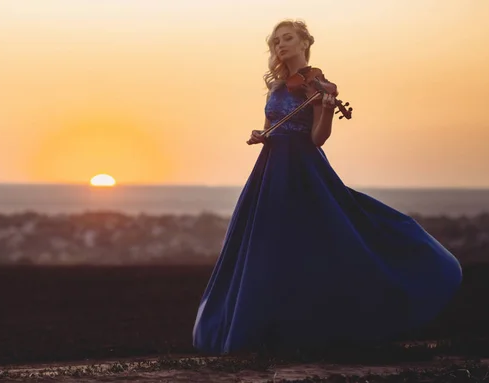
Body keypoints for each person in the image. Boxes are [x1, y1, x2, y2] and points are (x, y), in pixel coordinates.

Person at [192, 19, 462, 355]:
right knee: (265, 247)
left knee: (327, 237)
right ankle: (265, 328)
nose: (281, 46)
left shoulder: (317, 87)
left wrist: (329, 110)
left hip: (304, 170)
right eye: (276, 42)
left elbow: (317, 139)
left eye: (288, 39)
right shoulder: (277, 88)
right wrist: (260, 136)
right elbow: (270, 128)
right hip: (270, 170)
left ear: (305, 42)